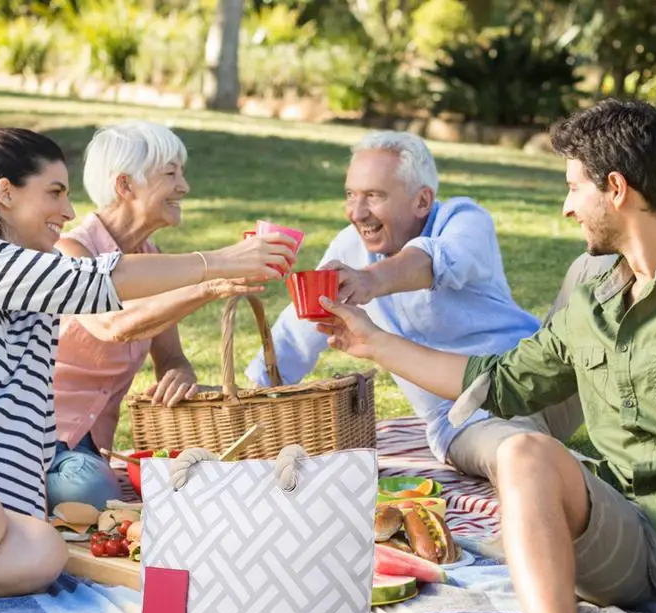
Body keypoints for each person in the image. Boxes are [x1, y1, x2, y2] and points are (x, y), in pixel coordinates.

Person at [318, 99, 656, 613]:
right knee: (521, 452)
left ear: (617, 189)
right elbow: (503, 381)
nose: (567, 206)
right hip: (626, 530)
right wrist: (371, 342)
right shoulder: (592, 286)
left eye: (574, 188)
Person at [0, 127, 295, 602]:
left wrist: (31, 506)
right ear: (6, 193)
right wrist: (221, 261)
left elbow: (34, 422)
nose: (68, 210)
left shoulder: (35, 300)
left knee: (42, 551)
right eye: (55, 193)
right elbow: (93, 282)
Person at [245, 131, 582, 482]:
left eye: (374, 196)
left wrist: (369, 280)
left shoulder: (465, 219)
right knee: (524, 459)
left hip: (541, 379)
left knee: (589, 269)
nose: (356, 212)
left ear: (422, 201)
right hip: (467, 419)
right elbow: (299, 329)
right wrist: (251, 395)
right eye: (350, 195)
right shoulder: (349, 248)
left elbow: (434, 261)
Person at [47, 121, 265, 511]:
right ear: (125, 186)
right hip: (45, 437)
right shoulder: (70, 252)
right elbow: (113, 324)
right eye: (170, 174)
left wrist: (180, 373)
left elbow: (170, 357)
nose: (184, 187)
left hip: (95, 446)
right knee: (90, 496)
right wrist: (209, 284)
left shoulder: (151, 256)